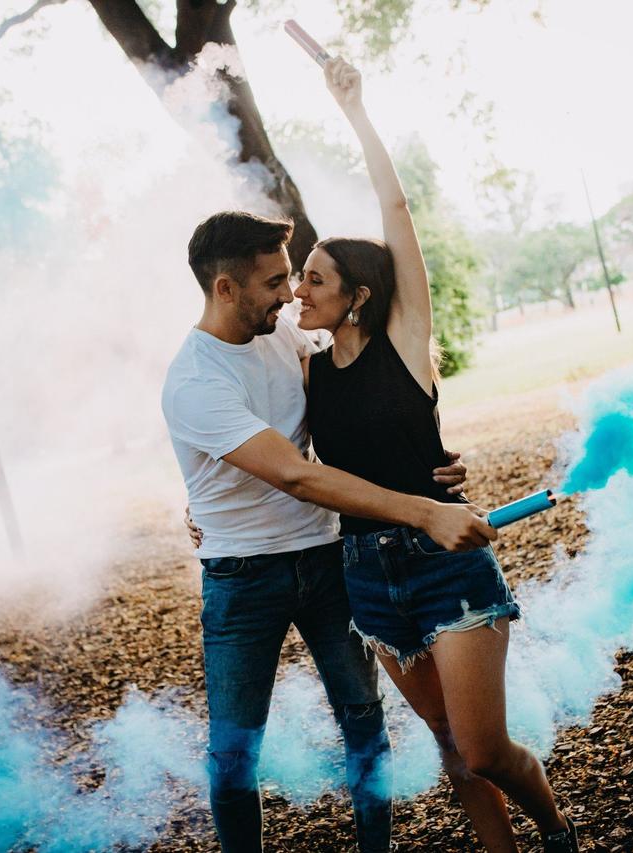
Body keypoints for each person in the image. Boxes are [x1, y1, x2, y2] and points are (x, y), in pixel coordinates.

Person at [292, 58, 580, 853]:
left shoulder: (405, 342)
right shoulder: (307, 364)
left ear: (359, 295)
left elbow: (396, 209)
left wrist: (354, 111)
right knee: (453, 751)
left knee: (485, 746)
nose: (298, 290)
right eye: (298, 279)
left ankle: (554, 826)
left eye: (314, 279)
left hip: (443, 562)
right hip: (365, 573)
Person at [162, 211, 496, 853]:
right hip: (243, 578)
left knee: (365, 722)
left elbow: (374, 389)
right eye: (274, 282)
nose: (290, 294)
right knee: (234, 751)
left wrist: (429, 455)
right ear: (225, 289)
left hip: (328, 557)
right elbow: (296, 475)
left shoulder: (285, 333)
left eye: (292, 278)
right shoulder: (194, 379)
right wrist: (424, 511)